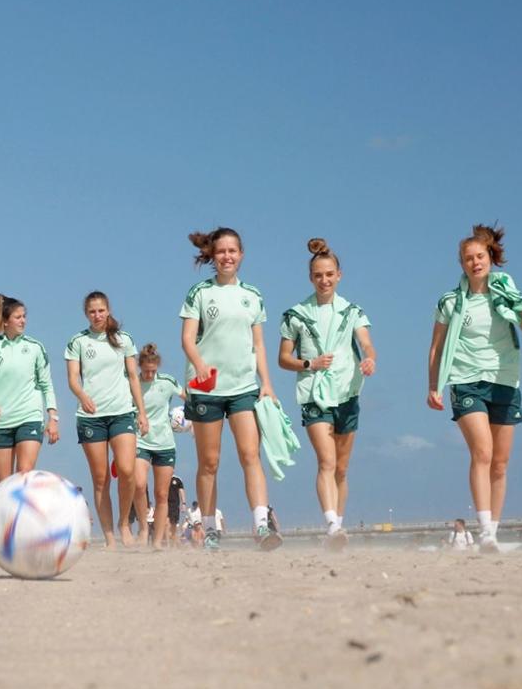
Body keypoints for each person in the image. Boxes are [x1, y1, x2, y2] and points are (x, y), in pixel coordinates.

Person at [427, 225, 522, 552]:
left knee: (500, 462)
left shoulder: (505, 289)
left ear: (489, 258)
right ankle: (484, 531)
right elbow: (437, 348)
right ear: (462, 264)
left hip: (505, 380)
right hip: (466, 379)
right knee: (482, 451)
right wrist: (433, 386)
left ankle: (492, 532)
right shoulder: (451, 301)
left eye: (479, 256)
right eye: (468, 258)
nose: (475, 262)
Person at [180, 227, 279, 551]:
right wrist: (199, 365)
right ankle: (209, 529)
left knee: (251, 455)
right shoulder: (199, 293)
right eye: (221, 251)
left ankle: (261, 526)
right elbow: (187, 339)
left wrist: (266, 385)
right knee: (209, 462)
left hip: (244, 387)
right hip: (207, 389)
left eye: (232, 251)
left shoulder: (253, 295)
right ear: (213, 255)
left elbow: (260, 345)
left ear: (241, 255)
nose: (227, 257)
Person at [278, 238, 378, 551]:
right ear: (311, 278)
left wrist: (370, 358)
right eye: (319, 275)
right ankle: (332, 525)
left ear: (339, 275)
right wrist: (310, 363)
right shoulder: (296, 314)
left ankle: (338, 524)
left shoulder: (352, 311)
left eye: (329, 274)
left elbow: (366, 341)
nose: (324, 280)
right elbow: (283, 359)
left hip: (347, 392)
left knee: (342, 468)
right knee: (326, 461)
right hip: (313, 394)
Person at [66, 291, 148, 549]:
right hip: (91, 417)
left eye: (101, 310)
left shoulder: (124, 340)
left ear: (108, 310)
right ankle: (110, 535)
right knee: (100, 478)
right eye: (92, 311)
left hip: (122, 411)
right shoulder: (78, 341)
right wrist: (82, 395)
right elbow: (73, 378)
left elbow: (134, 377)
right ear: (86, 314)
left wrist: (142, 412)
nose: (97, 315)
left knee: (126, 470)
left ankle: (124, 522)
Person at [0, 294, 59, 481]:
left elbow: (47, 384)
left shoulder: (36, 347)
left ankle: (23, 511)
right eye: (18, 317)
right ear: (5, 321)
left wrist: (53, 417)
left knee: (24, 476)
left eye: (24, 316)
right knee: (4, 483)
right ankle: (7, 512)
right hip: (0, 419)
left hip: (29, 416)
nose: (23, 321)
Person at [133, 343, 183, 550]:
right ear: (140, 366)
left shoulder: (168, 382)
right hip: (140, 440)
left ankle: (157, 541)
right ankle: (144, 527)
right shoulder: (132, 383)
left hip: (164, 443)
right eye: (146, 370)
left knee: (161, 494)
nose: (150, 374)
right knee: (138, 484)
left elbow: (188, 397)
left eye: (153, 371)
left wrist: (191, 422)